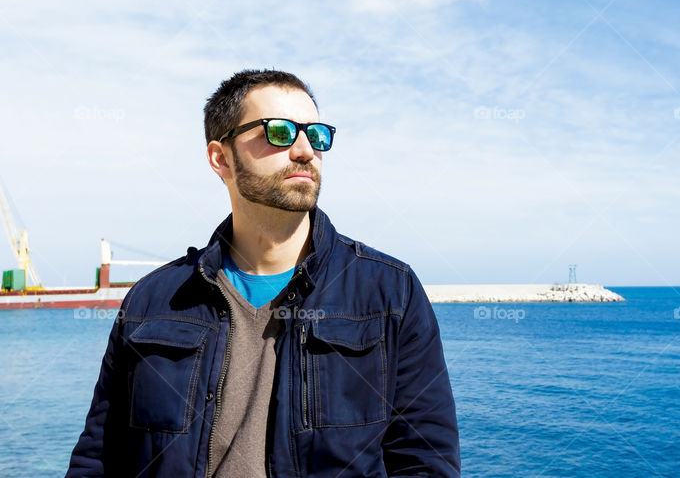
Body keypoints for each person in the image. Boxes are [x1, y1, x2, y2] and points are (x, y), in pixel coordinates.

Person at [65, 69, 461, 477]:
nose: (305, 150)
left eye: (317, 134)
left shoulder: (390, 293)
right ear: (222, 159)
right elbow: (100, 457)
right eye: (280, 132)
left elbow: (425, 461)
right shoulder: (153, 301)